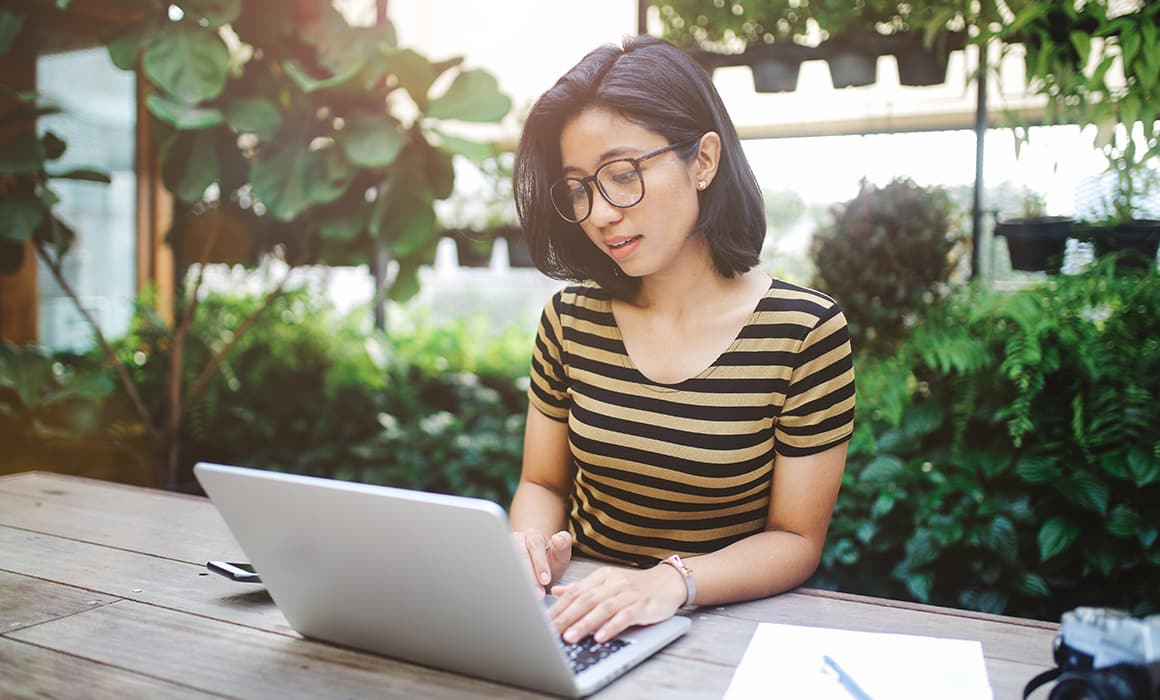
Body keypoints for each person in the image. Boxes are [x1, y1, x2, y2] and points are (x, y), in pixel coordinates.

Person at [508, 34, 856, 647]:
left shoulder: (804, 332)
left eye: (621, 174)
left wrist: (670, 584)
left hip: (722, 633)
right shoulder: (570, 321)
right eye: (579, 188)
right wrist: (531, 550)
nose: (600, 213)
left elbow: (797, 540)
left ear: (703, 161)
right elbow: (542, 483)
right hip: (578, 622)